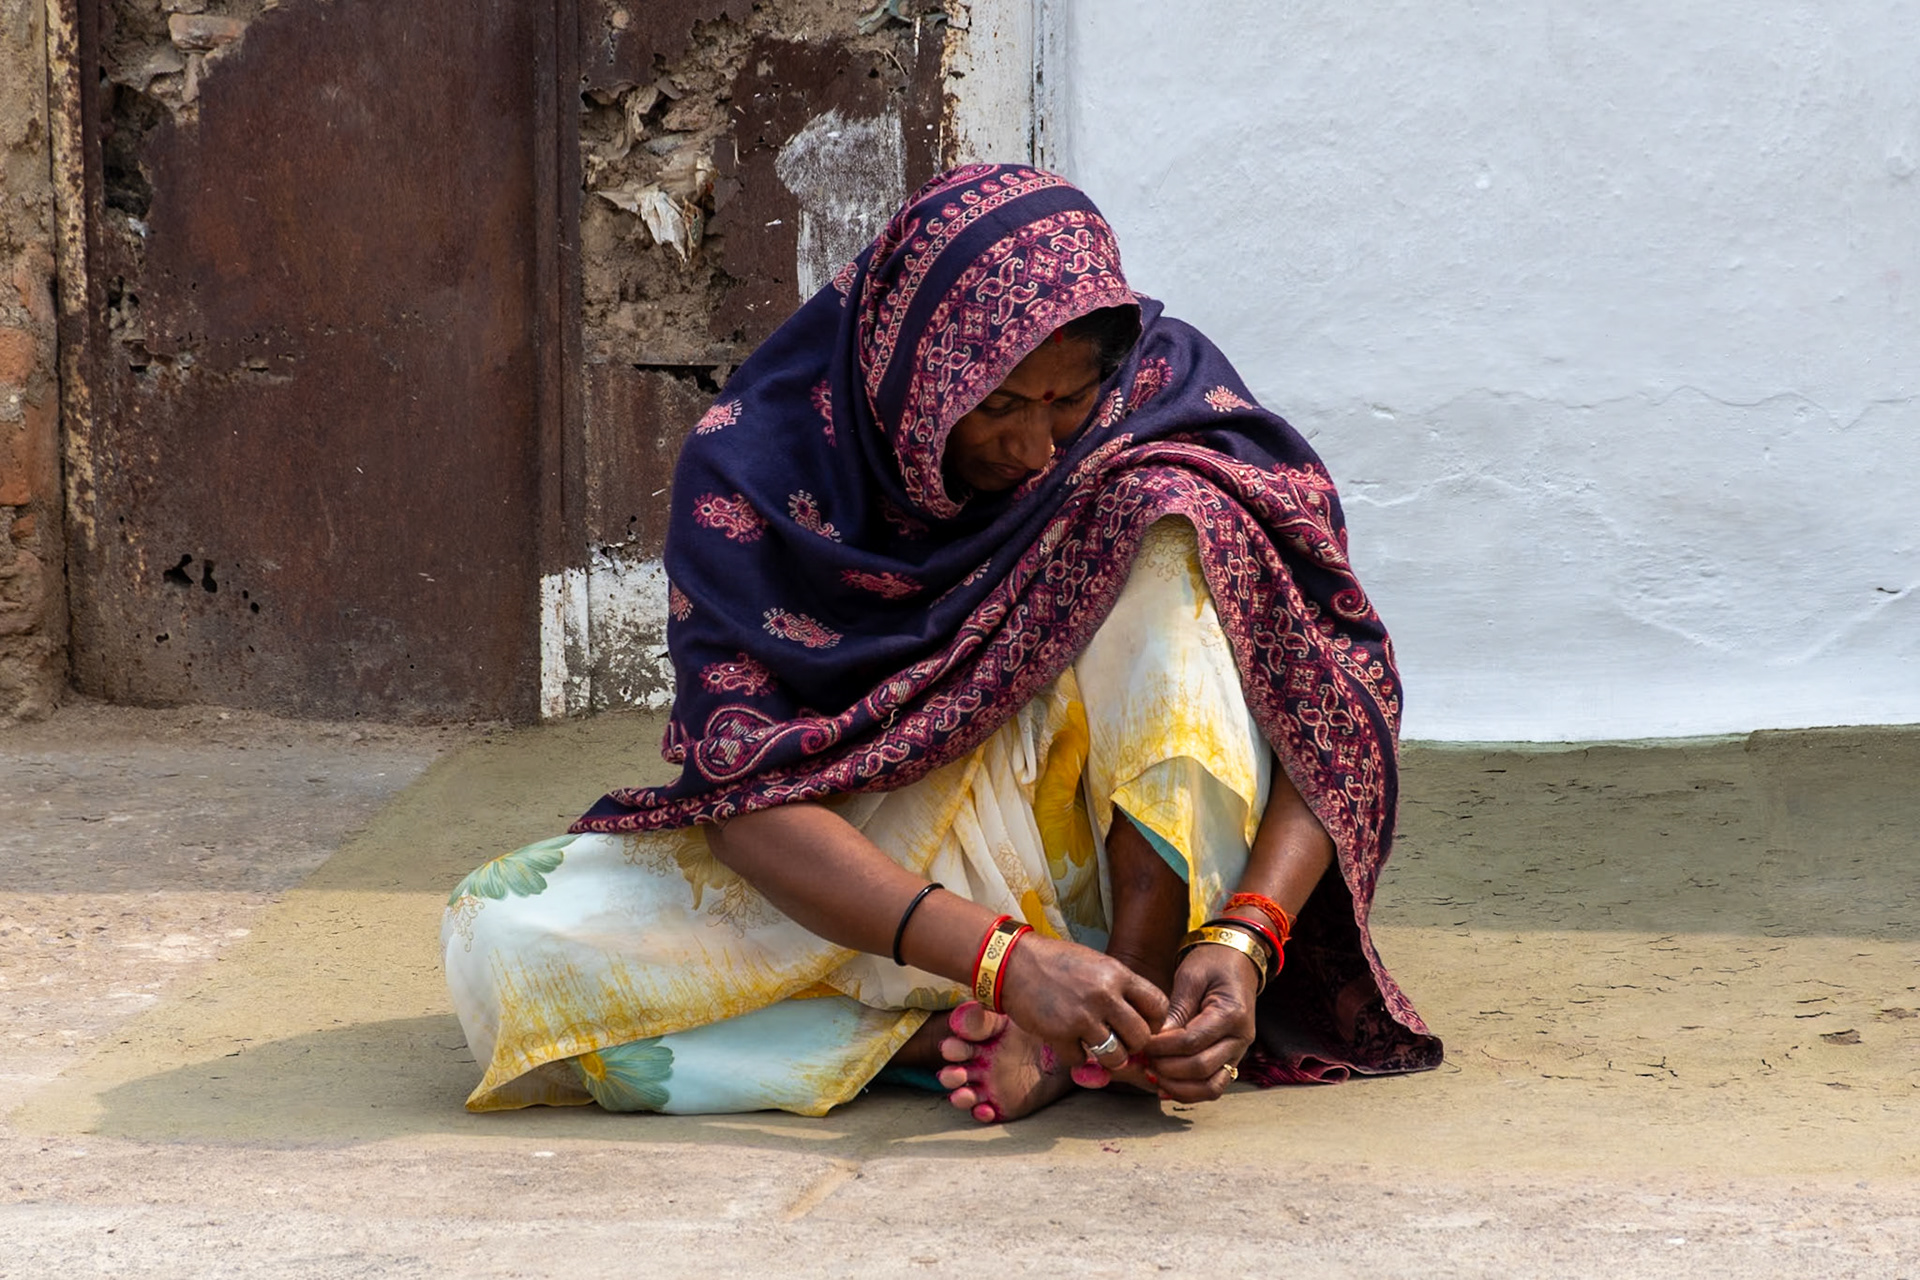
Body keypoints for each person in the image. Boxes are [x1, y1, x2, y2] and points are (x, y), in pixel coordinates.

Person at [443, 164, 1441, 1124]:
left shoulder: (1162, 406)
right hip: (901, 885)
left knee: (1173, 514)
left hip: (1123, 857)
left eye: (1067, 400)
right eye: (1000, 404)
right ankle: (967, 1040)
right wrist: (1008, 964)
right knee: (500, 940)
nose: (1039, 447)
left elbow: (1332, 691)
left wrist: (1247, 934)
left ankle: (1131, 1001)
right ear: (909, 371)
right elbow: (747, 801)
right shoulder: (753, 475)